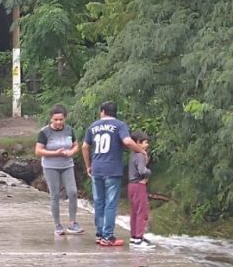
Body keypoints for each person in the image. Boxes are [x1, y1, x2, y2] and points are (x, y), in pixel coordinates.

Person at [82, 101, 147, 247]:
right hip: (112, 169)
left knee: (99, 202)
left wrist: (88, 165)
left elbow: (85, 147)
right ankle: (108, 236)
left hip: (97, 168)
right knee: (110, 204)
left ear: (102, 112)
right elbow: (127, 141)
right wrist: (141, 151)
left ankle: (99, 234)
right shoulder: (119, 125)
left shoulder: (93, 126)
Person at [35, 104, 82, 236]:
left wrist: (71, 152)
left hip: (67, 165)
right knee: (54, 194)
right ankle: (57, 224)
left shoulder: (69, 130)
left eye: (61, 119)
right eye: (56, 120)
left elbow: (76, 146)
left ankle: (73, 223)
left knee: (72, 192)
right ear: (51, 119)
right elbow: (38, 151)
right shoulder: (44, 132)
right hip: (51, 166)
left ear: (65, 119)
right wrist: (55, 153)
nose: (58, 122)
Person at [127, 131, 155, 249]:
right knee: (142, 212)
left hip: (131, 186)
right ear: (138, 143)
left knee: (134, 212)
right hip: (139, 185)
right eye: (145, 142)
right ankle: (139, 238)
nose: (147, 145)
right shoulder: (139, 155)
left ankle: (134, 236)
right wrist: (149, 173)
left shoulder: (133, 154)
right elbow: (142, 171)